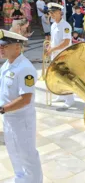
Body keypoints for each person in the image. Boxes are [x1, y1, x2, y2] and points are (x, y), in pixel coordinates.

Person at [0, 29, 43, 182]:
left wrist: (2, 109)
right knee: (13, 151)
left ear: (17, 47)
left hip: (21, 120)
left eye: (5, 45)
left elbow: (25, 99)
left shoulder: (25, 69)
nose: (1, 48)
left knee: (27, 154)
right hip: (9, 118)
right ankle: (20, 178)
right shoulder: (7, 65)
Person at [46, 3, 74, 108]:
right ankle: (62, 95)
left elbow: (66, 42)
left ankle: (70, 99)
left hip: (64, 55)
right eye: (50, 13)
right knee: (58, 77)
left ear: (59, 12)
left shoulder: (65, 26)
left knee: (65, 77)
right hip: (55, 55)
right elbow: (54, 40)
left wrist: (53, 49)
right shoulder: (53, 25)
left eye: (53, 12)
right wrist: (49, 46)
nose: (51, 14)